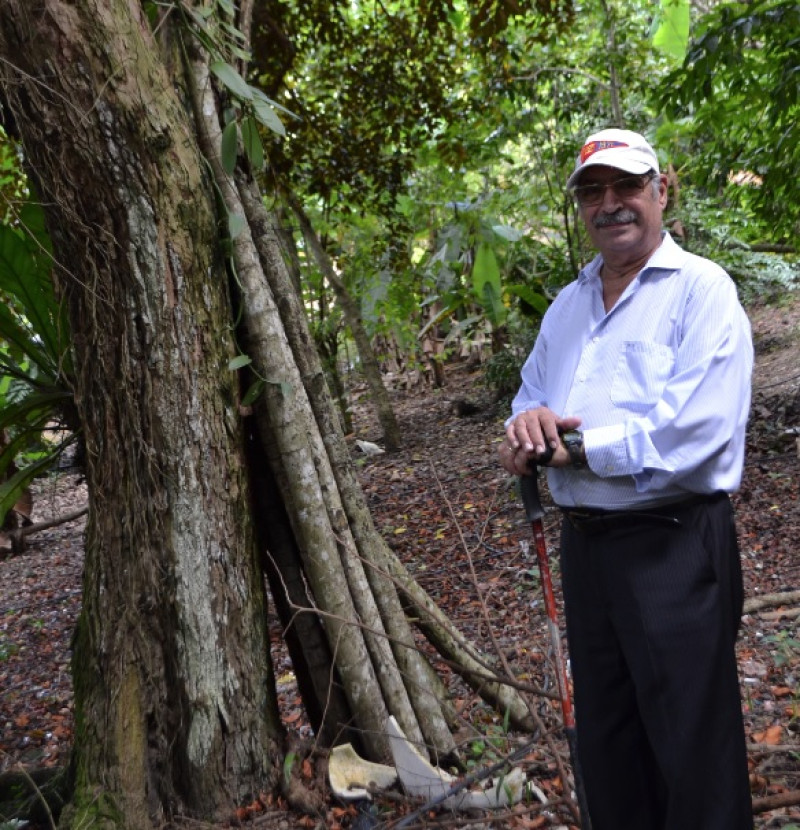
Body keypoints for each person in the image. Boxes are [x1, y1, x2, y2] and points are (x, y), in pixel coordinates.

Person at [498, 128, 754, 830]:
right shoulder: (567, 305)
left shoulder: (701, 290)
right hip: (587, 548)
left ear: (660, 190)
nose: (609, 203)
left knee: (691, 750)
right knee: (610, 744)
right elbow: (529, 398)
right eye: (592, 191)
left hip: (672, 544)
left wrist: (575, 451)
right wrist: (526, 430)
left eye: (626, 186)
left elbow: (698, 434)